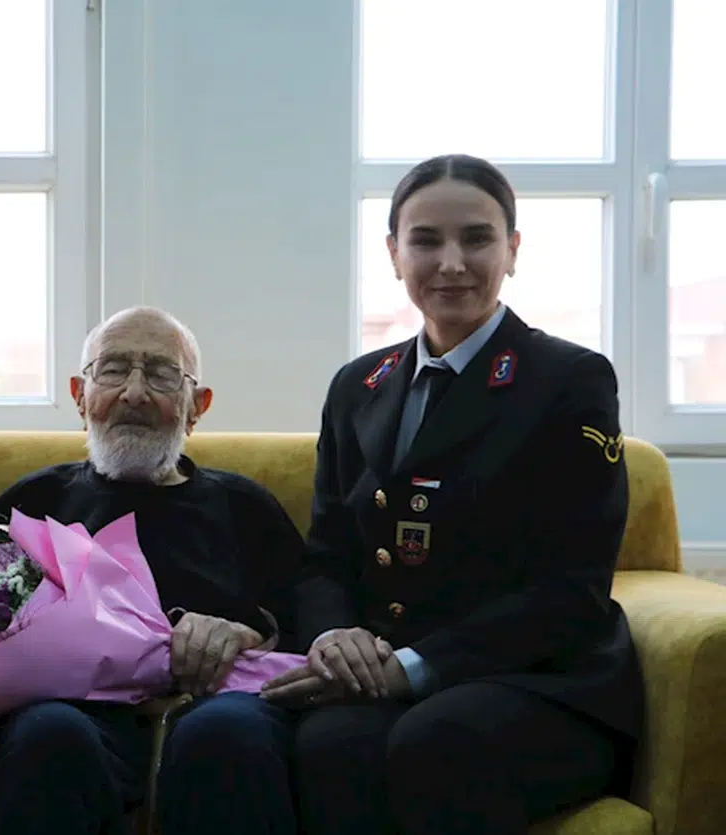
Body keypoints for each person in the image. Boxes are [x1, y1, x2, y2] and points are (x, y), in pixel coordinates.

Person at [260, 153, 643, 835]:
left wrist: (414, 667)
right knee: (330, 743)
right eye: (426, 241)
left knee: (436, 739)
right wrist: (334, 636)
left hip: (541, 680)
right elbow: (326, 555)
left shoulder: (569, 380)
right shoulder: (358, 387)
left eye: (476, 238)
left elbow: (572, 587)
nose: (452, 263)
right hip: (391, 670)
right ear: (394, 254)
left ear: (512, 250)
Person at [0, 306, 303, 835]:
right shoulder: (32, 503)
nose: (134, 393)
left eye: (161, 374)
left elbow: (305, 623)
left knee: (226, 734)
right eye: (112, 370)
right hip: (76, 718)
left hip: (217, 705)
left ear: (197, 406)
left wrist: (251, 633)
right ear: (80, 396)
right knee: (47, 734)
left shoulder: (247, 507)